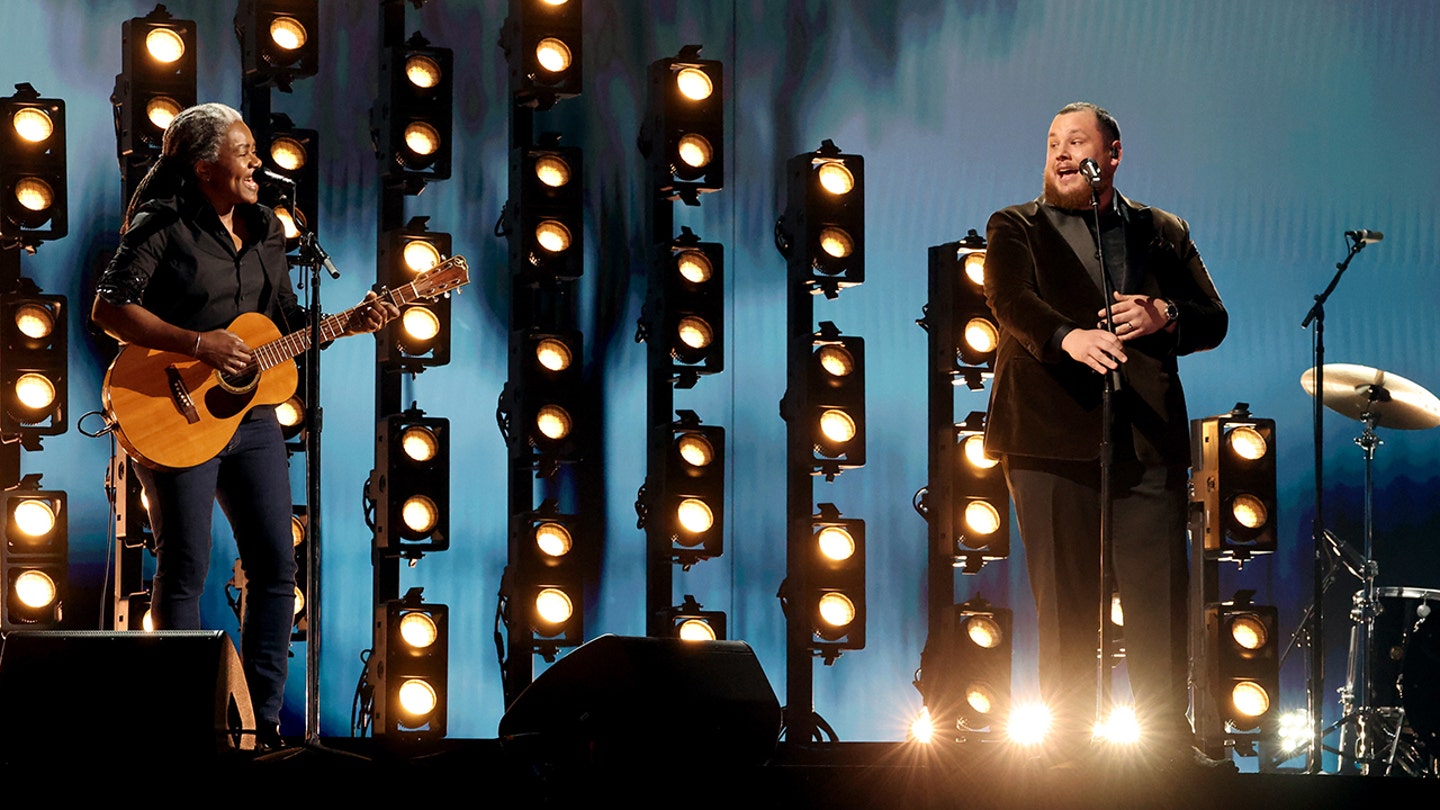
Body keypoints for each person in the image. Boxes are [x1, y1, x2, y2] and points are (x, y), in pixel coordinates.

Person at [92, 103, 397, 750]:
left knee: (277, 567)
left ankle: (257, 730)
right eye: (243, 150)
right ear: (205, 167)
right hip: (170, 410)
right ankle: (185, 731)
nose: (257, 160)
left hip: (252, 419)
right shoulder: (163, 223)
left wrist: (348, 323)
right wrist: (198, 345)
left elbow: (280, 323)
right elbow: (110, 308)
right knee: (185, 568)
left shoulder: (266, 229)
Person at [982, 102, 1228, 767]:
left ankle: (1168, 748)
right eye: (1053, 143)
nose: (1061, 153)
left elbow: (1213, 317)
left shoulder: (1160, 231)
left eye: (1077, 142)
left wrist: (1164, 313)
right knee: (1065, 604)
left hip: (1145, 441)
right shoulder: (1015, 226)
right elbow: (1008, 300)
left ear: (1112, 155)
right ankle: (1065, 750)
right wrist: (1068, 337)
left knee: (1158, 600)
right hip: (1046, 439)